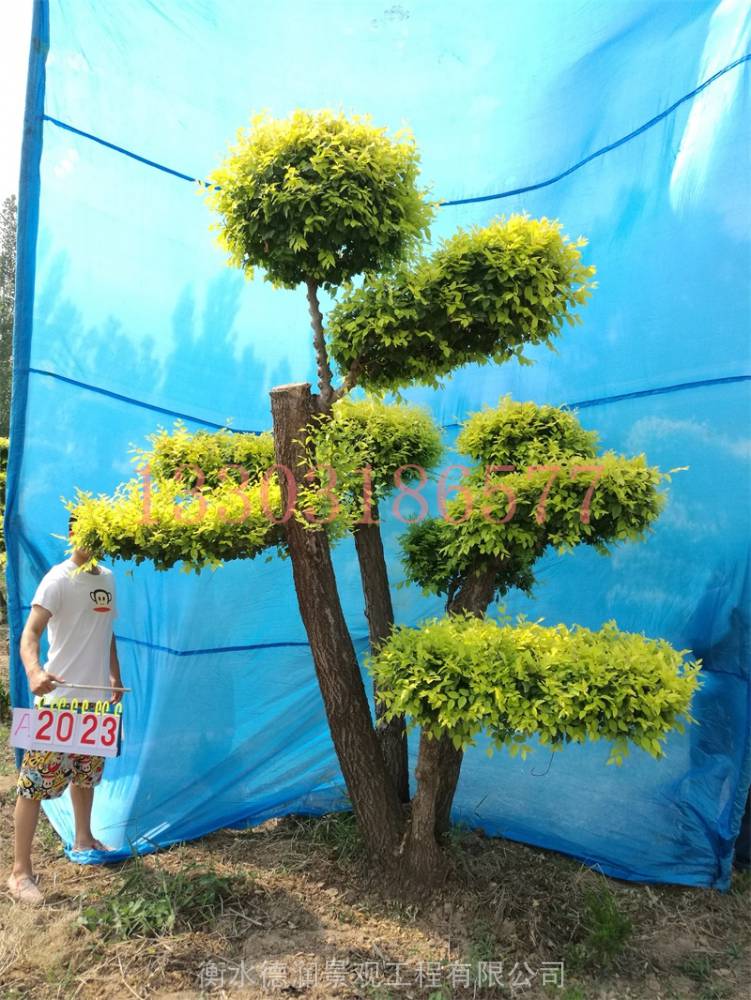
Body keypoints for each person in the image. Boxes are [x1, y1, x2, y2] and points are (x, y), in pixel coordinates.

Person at [7, 517, 123, 906]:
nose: (97, 541)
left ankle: (84, 837)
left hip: (94, 702)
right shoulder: (58, 579)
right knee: (34, 783)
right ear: (74, 534)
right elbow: (30, 634)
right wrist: (35, 671)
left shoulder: (107, 578)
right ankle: (19, 871)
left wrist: (114, 676)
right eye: (90, 533)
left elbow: (106, 633)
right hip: (58, 703)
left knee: (86, 774)